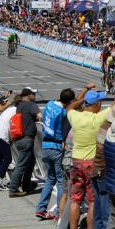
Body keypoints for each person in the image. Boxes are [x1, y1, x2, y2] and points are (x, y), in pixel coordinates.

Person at [65, 74, 115, 229]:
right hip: (92, 163)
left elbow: (70, 106)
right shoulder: (98, 118)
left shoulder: (75, 117)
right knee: (93, 201)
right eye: (99, 101)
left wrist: (85, 91)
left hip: (76, 161)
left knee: (75, 199)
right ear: (97, 104)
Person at [35, 89, 75, 220]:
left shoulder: (49, 104)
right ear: (69, 101)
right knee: (60, 181)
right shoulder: (63, 112)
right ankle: (59, 211)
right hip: (56, 146)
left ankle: (41, 208)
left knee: (49, 178)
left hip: (45, 145)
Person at [8, 87, 41, 197]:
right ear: (28, 94)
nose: (35, 96)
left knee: (30, 163)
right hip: (27, 139)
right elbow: (40, 116)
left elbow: (25, 119)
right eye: (33, 94)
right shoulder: (31, 105)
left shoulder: (19, 106)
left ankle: (26, 186)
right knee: (21, 165)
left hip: (19, 138)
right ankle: (13, 189)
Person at [0, 93, 20, 190]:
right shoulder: (17, 112)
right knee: (7, 159)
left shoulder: (10, 109)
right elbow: (13, 126)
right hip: (2, 135)